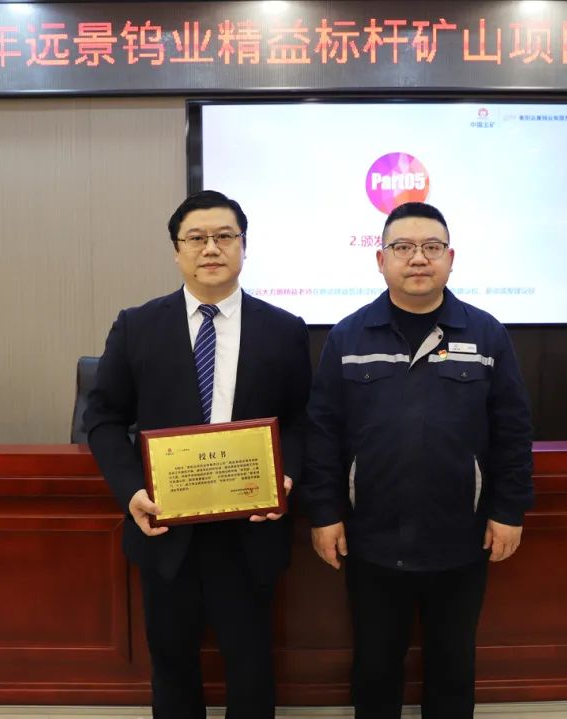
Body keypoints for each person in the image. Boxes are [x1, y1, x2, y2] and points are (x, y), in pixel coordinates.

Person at [84, 190, 310, 719]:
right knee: (172, 667)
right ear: (176, 250)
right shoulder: (137, 326)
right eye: (197, 238)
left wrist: (287, 476)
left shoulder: (284, 329)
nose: (211, 248)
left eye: (225, 236)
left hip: (249, 528)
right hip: (167, 529)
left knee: (251, 668)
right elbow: (103, 418)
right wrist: (132, 491)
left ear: (244, 246)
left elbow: (302, 420)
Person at [303, 202, 534, 719]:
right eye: (403, 247)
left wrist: (508, 510)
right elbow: (322, 433)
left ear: (450, 258)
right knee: (375, 668)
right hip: (371, 539)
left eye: (432, 247)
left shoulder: (486, 334)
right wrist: (324, 513)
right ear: (380, 260)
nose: (418, 258)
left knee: (453, 666)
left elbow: (513, 431)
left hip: (461, 537)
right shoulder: (348, 336)